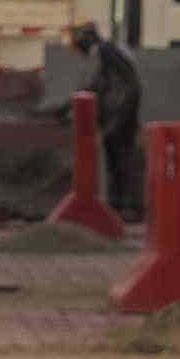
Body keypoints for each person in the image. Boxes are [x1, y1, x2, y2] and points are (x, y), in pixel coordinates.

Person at [67, 19, 144, 217]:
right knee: (120, 158)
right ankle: (123, 206)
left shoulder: (101, 51)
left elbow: (90, 86)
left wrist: (66, 107)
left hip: (119, 112)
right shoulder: (111, 48)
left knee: (119, 159)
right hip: (125, 111)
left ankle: (125, 206)